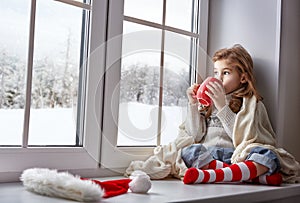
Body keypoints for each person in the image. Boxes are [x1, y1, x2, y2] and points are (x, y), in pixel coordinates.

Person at [181, 44, 300, 185]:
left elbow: (244, 139)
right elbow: (195, 135)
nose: (218, 79)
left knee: (268, 155)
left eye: (225, 73)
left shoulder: (251, 105)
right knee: (189, 151)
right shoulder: (208, 104)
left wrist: (222, 107)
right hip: (210, 156)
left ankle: (216, 175)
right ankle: (247, 176)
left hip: (237, 157)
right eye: (215, 72)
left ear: (243, 78)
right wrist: (193, 104)